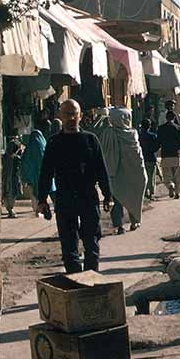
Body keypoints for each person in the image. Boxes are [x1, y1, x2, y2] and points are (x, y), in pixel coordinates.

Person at [36, 100, 112, 273]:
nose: (70, 118)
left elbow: (101, 169)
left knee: (91, 242)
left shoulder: (90, 140)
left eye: (74, 114)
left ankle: (92, 279)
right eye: (67, 114)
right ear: (60, 116)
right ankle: (75, 280)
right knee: (68, 244)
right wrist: (42, 199)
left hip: (88, 197)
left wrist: (108, 195)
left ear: (80, 116)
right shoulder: (54, 143)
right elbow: (46, 173)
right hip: (65, 198)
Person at [98, 108, 147, 234]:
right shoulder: (132, 134)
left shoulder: (108, 133)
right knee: (132, 197)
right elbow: (138, 156)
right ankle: (133, 222)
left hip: (115, 173)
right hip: (131, 173)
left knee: (117, 200)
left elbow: (104, 152)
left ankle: (120, 225)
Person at [19, 118, 50, 216]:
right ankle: (41, 209)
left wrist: (24, 175)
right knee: (42, 193)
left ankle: (36, 209)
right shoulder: (44, 147)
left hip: (31, 176)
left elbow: (24, 161)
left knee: (33, 194)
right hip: (42, 176)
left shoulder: (29, 148)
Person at [156, 106, 180, 198]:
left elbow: (158, 142)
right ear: (174, 118)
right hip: (176, 156)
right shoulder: (178, 128)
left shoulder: (161, 128)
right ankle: (177, 192)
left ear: (166, 118)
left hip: (166, 155)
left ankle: (170, 185)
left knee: (167, 175)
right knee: (178, 176)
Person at [1, 133, 23, 218]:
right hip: (13, 178)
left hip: (6, 178)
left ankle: (10, 209)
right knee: (13, 194)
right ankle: (10, 209)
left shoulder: (4, 157)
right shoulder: (16, 158)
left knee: (7, 193)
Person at [138, 118, 160, 199]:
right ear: (149, 126)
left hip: (141, 159)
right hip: (151, 158)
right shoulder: (153, 136)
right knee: (151, 177)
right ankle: (151, 193)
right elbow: (157, 146)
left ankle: (144, 192)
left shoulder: (139, 136)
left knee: (143, 177)